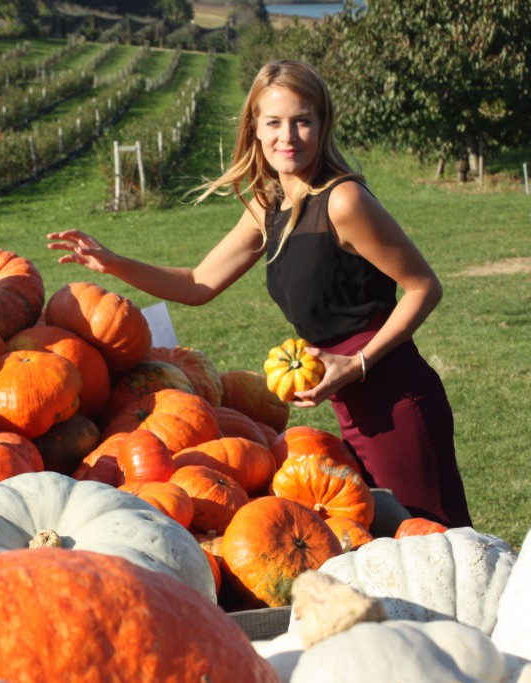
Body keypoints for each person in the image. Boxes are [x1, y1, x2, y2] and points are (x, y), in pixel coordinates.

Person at [47, 59, 472, 528]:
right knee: (390, 540)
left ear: (322, 124)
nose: (287, 136)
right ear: (254, 127)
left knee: (434, 542)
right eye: (274, 122)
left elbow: (423, 286)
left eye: (302, 121)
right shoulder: (268, 206)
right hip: (350, 400)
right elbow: (197, 284)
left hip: (395, 399)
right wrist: (111, 260)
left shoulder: (343, 201)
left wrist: (357, 365)